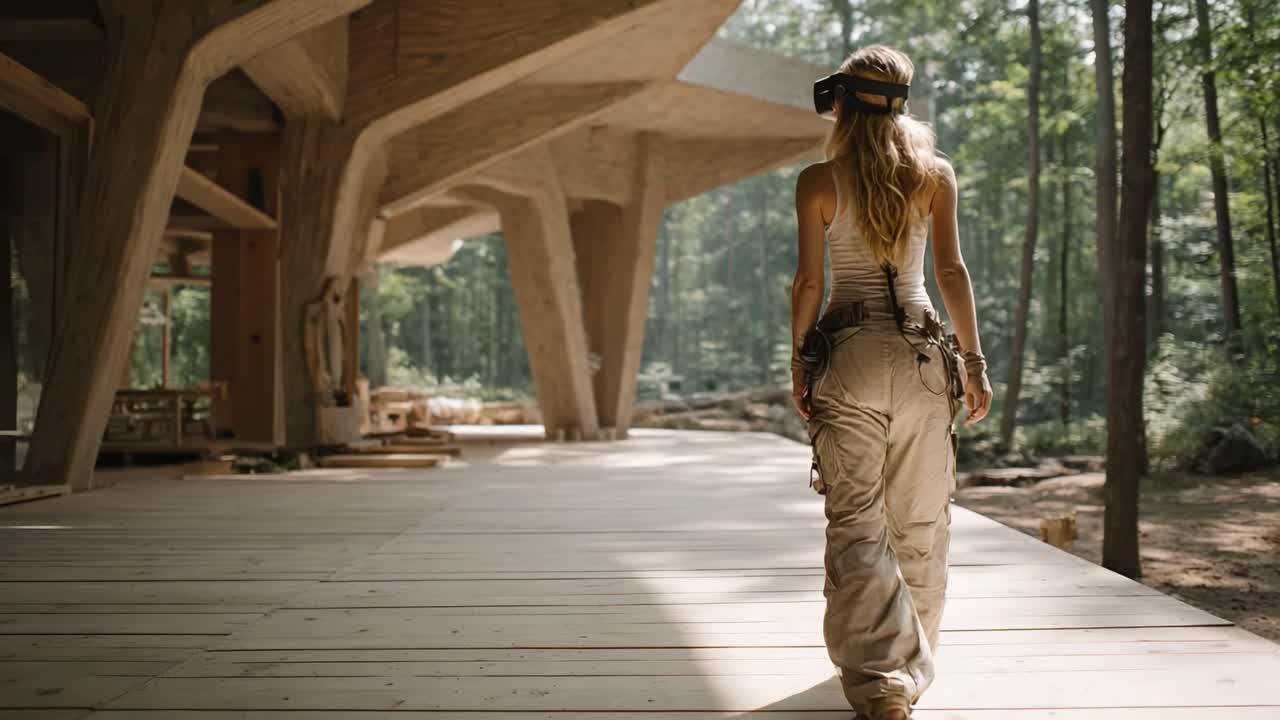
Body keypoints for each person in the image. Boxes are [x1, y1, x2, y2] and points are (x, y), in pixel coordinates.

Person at [790, 45, 993, 720]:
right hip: (921, 359)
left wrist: (799, 364)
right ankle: (908, 672)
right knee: (919, 523)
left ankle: (880, 682)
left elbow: (811, 283)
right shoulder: (934, 175)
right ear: (902, 102)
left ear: (842, 103)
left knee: (855, 525)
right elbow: (952, 274)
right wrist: (973, 364)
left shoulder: (818, 180)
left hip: (846, 358)